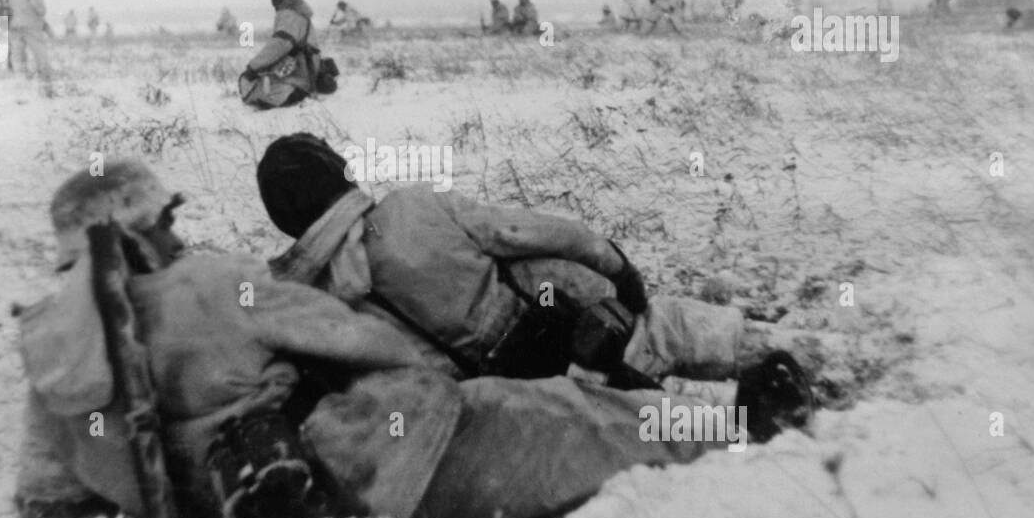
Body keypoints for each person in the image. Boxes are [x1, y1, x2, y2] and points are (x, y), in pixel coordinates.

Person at [15, 161, 815, 518]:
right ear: (143, 228)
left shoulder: (51, 358)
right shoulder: (219, 286)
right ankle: (738, 427)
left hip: (240, 499)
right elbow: (363, 347)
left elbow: (46, 499)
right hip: (386, 463)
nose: (177, 228)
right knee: (586, 414)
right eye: (164, 217)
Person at [255, 134, 817, 404]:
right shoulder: (412, 207)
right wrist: (616, 266)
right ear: (340, 172)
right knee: (640, 324)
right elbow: (531, 232)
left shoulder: (310, 301)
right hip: (554, 330)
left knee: (623, 404)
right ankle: (764, 353)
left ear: (287, 221)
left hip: (497, 400)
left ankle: (718, 410)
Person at [238, 0, 333, 109]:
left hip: (300, 76)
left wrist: (252, 67)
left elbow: (279, 45)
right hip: (305, 70)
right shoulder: (294, 12)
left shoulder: (289, 15)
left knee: (247, 84)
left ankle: (294, 93)